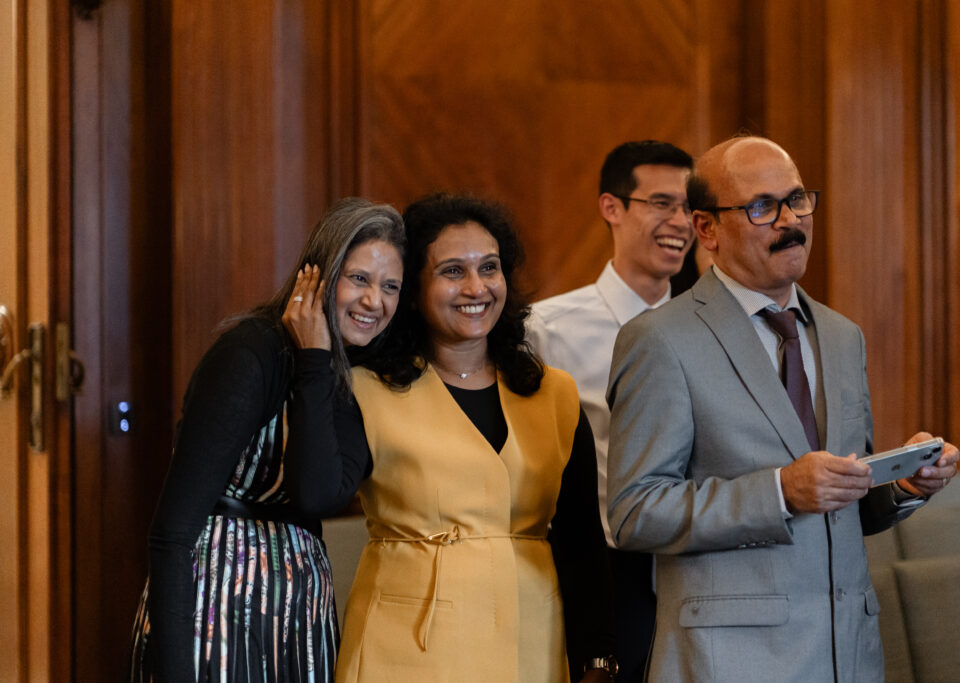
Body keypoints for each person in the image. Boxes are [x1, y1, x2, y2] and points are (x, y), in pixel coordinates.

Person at [605, 135, 960, 682]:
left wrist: (905, 484)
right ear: (706, 229)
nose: (790, 221)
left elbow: (846, 503)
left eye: (797, 199)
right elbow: (635, 512)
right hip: (731, 663)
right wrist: (777, 492)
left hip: (849, 654)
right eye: (761, 207)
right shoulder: (658, 340)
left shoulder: (843, 336)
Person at [290, 193, 615, 682]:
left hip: (530, 648)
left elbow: (582, 545)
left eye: (489, 268)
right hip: (402, 651)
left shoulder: (556, 394)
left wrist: (597, 659)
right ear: (414, 290)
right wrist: (315, 363)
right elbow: (314, 493)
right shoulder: (366, 389)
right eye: (452, 271)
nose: (476, 287)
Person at [128, 198, 405, 683]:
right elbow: (170, 532)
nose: (373, 301)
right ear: (318, 275)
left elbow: (317, 493)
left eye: (390, 287)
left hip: (300, 621)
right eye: (358, 278)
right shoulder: (249, 355)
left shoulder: (362, 378)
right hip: (212, 613)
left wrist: (317, 364)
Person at [526, 140, 693, 682]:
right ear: (612, 208)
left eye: (691, 207)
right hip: (601, 570)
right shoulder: (547, 330)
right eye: (662, 203)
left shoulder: (708, 330)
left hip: (693, 567)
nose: (681, 222)